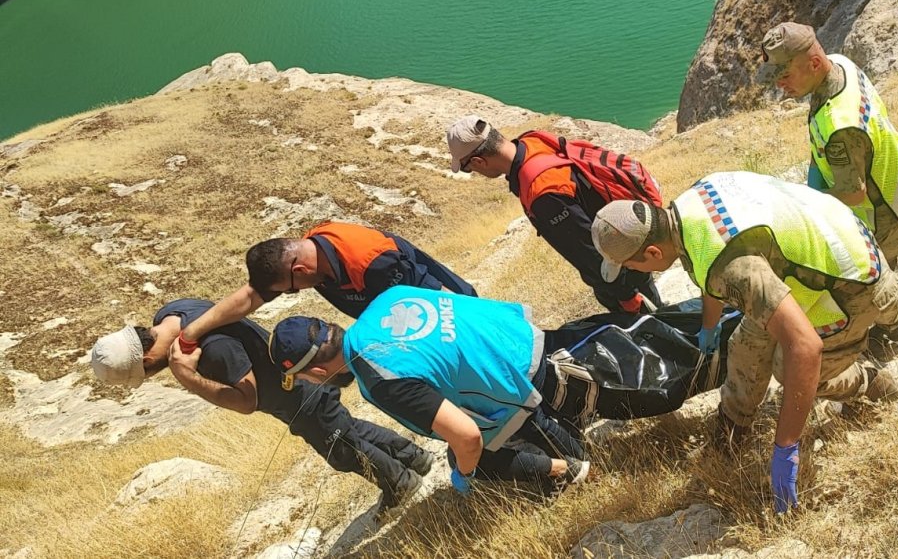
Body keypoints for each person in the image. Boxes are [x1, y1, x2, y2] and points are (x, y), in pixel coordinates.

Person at [590, 171, 898, 513]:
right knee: (745, 345)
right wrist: (708, 327)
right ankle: (730, 433)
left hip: (851, 283)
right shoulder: (690, 205)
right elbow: (709, 265)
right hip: (819, 250)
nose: (635, 273)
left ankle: (868, 381)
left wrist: (786, 447)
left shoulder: (731, 265)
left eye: (632, 265)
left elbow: (806, 347)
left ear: (651, 252)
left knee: (792, 370)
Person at [90, 298, 435, 517]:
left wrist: (190, 379)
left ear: (148, 357)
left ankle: (400, 483)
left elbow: (246, 401)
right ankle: (416, 458)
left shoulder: (214, 350)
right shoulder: (172, 313)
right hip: (300, 388)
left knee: (341, 449)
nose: (152, 376)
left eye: (146, 373)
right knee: (350, 429)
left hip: (300, 397)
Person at [268, 286, 590, 496]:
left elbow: (468, 437)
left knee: (467, 456)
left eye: (305, 379)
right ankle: (576, 453)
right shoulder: (385, 300)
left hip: (519, 381)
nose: (311, 383)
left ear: (318, 371)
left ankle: (571, 470)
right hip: (522, 338)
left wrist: (466, 474)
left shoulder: (378, 379)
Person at [756, 22, 898, 323]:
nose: (779, 85)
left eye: (785, 75)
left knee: (873, 275)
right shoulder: (840, 64)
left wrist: (808, 201)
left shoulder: (840, 125)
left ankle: (892, 323)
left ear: (813, 63)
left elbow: (853, 192)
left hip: (880, 209)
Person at [446, 116, 662, 315]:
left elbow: (590, 252)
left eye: (467, 168)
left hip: (621, 270)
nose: (473, 172)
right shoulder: (532, 141)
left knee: (654, 328)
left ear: (478, 161)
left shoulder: (542, 193)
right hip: (630, 235)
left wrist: (626, 296)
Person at [175, 221, 475, 353]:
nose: (294, 293)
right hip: (413, 326)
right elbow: (250, 296)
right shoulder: (308, 255)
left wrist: (480, 327)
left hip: (451, 319)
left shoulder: (371, 261)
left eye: (291, 289)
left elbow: (442, 300)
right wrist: (191, 333)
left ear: (300, 271)